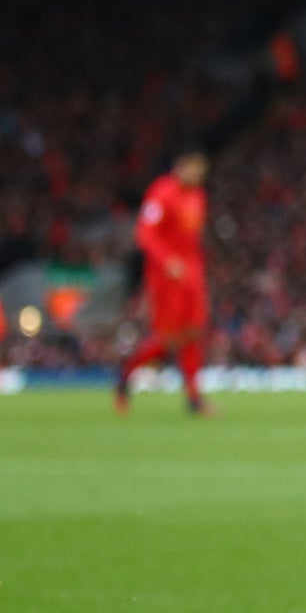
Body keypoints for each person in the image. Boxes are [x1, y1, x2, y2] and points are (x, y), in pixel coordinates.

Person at [115, 150, 212, 415]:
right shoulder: (162, 193)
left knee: (194, 333)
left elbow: (192, 239)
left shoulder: (198, 196)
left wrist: (197, 269)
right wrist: (168, 261)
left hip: (192, 275)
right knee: (168, 339)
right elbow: (145, 234)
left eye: (201, 171)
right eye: (193, 169)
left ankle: (194, 398)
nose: (197, 175)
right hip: (165, 277)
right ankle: (125, 376)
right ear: (180, 166)